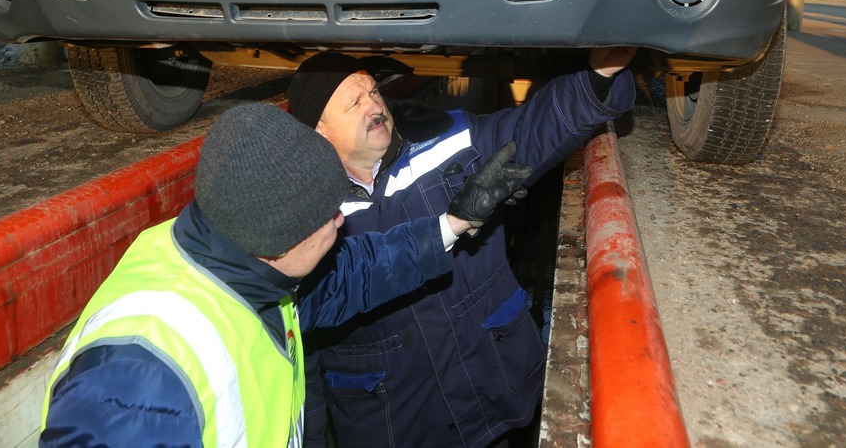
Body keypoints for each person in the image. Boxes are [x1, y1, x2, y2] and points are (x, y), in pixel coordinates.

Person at [39, 103, 529, 448]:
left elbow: (353, 273)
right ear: (281, 242)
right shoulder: (134, 386)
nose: (341, 221)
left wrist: (453, 223)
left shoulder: (239, 255)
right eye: (328, 215)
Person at [288, 47, 637, 448]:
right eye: (355, 101)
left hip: (489, 391)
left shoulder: (448, 137)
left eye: (373, 92)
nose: (374, 106)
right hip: (393, 422)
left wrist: (600, 75)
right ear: (318, 129)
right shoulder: (305, 212)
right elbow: (302, 344)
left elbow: (530, 130)